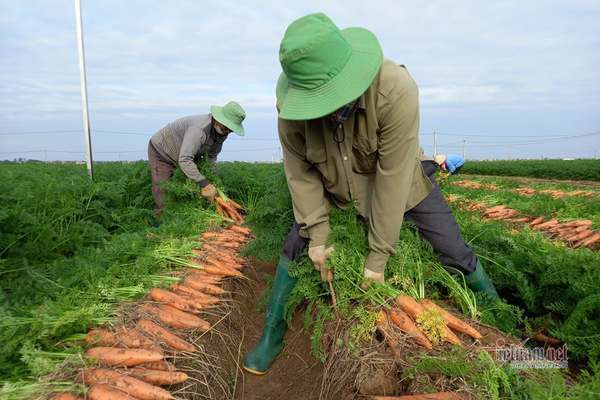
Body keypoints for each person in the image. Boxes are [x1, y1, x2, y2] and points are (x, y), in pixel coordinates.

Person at [243, 13, 499, 375]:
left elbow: (392, 179)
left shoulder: (395, 89)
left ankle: (500, 322)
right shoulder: (291, 112)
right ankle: (272, 334)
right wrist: (318, 235)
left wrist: (377, 259)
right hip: (334, 190)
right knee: (294, 245)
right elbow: (300, 175)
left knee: (453, 249)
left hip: (400, 184)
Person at [147, 101, 245, 218]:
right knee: (163, 190)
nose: (228, 131)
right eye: (227, 127)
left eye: (231, 129)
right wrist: (204, 183)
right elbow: (185, 160)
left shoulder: (221, 133)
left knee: (189, 188)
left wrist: (212, 179)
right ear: (219, 120)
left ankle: (185, 217)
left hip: (185, 155)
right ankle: (161, 223)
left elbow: (211, 157)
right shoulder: (198, 129)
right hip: (163, 151)